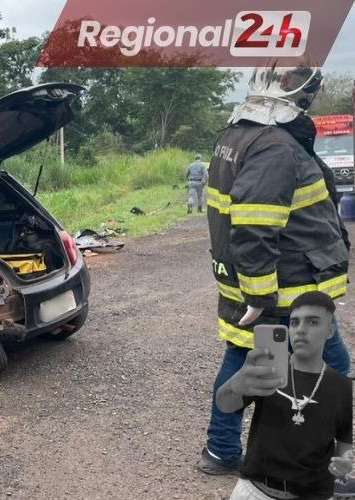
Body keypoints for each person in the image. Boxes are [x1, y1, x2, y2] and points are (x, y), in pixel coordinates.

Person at [199, 59, 352, 477]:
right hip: (289, 288)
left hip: (269, 286)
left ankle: (221, 450)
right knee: (331, 371)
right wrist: (260, 294)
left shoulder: (237, 134)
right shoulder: (275, 146)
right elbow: (254, 224)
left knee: (244, 361)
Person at [217, 291, 352, 499]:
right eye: (294, 322)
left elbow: (344, 439)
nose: (301, 330)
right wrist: (236, 383)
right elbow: (224, 406)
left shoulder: (341, 386)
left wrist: (344, 462)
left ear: (330, 330)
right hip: (254, 490)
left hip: (312, 494)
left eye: (313, 322)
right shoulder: (269, 371)